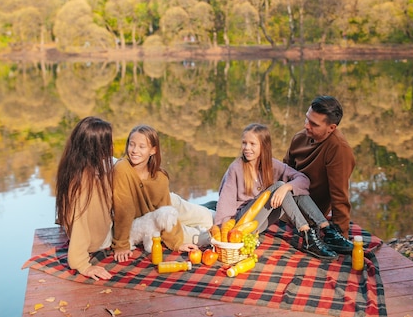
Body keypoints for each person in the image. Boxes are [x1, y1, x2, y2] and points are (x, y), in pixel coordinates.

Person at [215, 123, 352, 260]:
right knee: (280, 185)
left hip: (259, 223)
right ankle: (306, 234)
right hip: (241, 224)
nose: (247, 148)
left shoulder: (271, 165)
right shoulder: (236, 168)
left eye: (252, 144)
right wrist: (222, 233)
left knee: (292, 187)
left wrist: (287, 187)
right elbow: (224, 202)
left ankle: (326, 230)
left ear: (264, 146)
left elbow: (302, 179)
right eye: (244, 143)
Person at [111, 124, 213, 262]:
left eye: (142, 147)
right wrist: (121, 244)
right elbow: (123, 210)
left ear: (153, 150)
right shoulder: (122, 168)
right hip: (151, 220)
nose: (134, 150)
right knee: (204, 238)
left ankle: (218, 212)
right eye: (131, 145)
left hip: (170, 205)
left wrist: (175, 241)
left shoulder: (160, 177)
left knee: (208, 217)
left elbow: (166, 208)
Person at [283, 95, 356, 247]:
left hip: (308, 214)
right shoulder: (299, 138)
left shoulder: (339, 149)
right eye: (307, 119)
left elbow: (339, 196)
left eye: (314, 124)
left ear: (331, 128)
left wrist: (340, 236)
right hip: (283, 202)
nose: (306, 126)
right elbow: (283, 171)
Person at [55, 116, 115, 280]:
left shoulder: (74, 166)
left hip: (100, 227)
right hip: (100, 239)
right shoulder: (84, 182)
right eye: (109, 142)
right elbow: (79, 220)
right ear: (97, 147)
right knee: (168, 208)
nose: (112, 145)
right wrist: (82, 264)